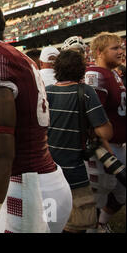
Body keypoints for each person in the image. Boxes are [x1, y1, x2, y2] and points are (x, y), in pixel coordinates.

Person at [0, 2, 72, 233]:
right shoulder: (21, 58)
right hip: (48, 181)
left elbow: (0, 152)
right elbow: (10, 132)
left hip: (25, 188)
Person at [46, 50, 113, 233]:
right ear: (81, 70)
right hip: (74, 172)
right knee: (79, 224)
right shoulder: (86, 92)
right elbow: (105, 132)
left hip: (49, 171)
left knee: (51, 222)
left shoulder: (47, 91)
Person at [84, 32, 126, 232]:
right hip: (106, 147)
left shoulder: (114, 72)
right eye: (114, 48)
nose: (120, 51)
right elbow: (92, 118)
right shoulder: (96, 75)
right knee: (99, 194)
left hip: (119, 144)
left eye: (120, 46)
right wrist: (106, 151)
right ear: (99, 52)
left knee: (121, 193)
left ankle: (101, 222)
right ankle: (94, 225)